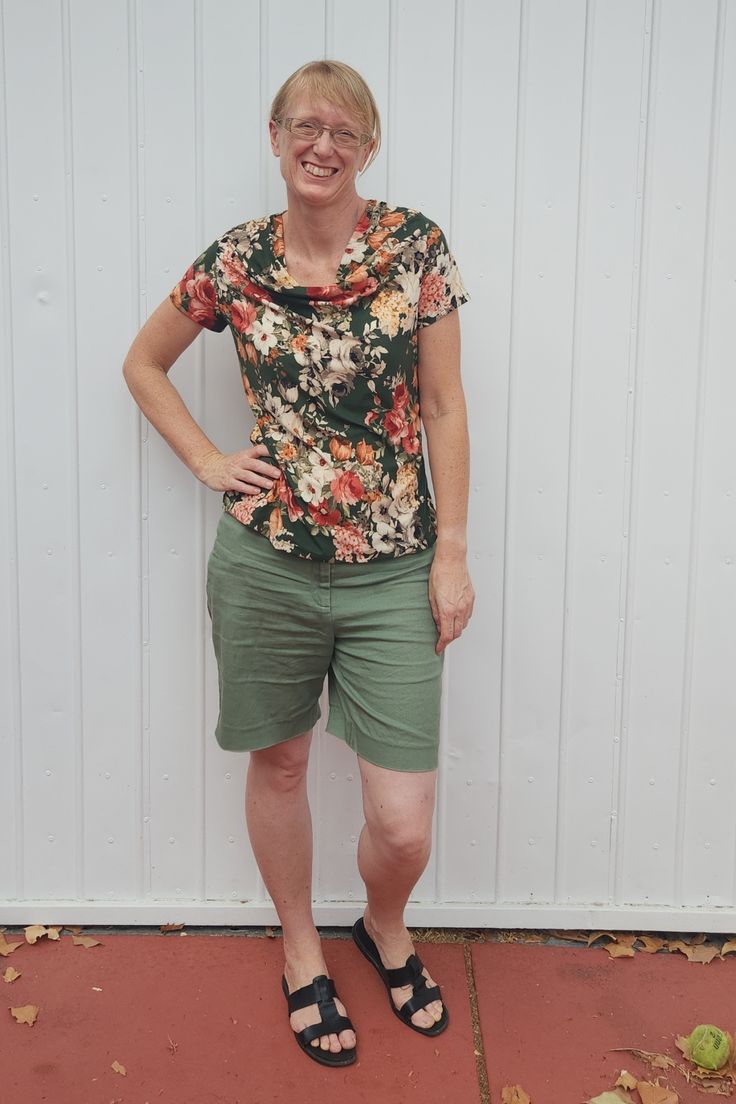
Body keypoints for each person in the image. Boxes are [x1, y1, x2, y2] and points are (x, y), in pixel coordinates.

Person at [123, 59, 474, 1069]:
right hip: (266, 563)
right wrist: (206, 460)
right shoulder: (235, 262)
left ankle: (384, 923)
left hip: (393, 567)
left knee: (401, 822)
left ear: (367, 148)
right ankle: (301, 946)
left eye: (344, 132)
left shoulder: (415, 249)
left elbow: (445, 407)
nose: (322, 146)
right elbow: (143, 363)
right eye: (304, 127)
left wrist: (450, 552)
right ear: (274, 137)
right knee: (277, 760)